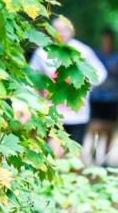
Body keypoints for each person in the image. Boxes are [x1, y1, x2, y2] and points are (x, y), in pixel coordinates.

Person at [29, 16, 108, 154]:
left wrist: (85, 86)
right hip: (52, 114)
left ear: (72, 31)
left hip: (78, 114)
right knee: (54, 154)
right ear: (51, 31)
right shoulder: (42, 53)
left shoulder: (83, 51)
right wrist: (38, 97)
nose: (61, 33)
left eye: (65, 29)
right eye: (58, 29)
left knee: (73, 158)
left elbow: (100, 73)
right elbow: (31, 78)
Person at [88, 27, 118, 165]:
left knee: (110, 129)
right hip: (96, 96)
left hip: (113, 97)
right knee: (96, 127)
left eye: (109, 40)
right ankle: (94, 149)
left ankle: (105, 158)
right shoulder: (95, 56)